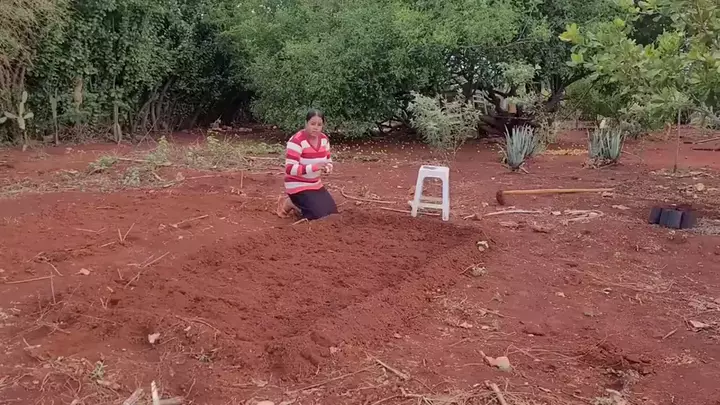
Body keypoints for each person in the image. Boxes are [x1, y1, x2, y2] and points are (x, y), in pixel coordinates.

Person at [276, 109, 339, 220]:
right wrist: (314, 168)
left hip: (315, 184)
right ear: (306, 123)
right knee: (318, 217)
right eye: (312, 124)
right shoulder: (296, 141)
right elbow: (290, 169)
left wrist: (328, 168)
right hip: (296, 185)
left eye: (319, 125)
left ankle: (302, 206)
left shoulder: (324, 139)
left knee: (332, 213)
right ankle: (291, 202)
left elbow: (328, 160)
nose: (316, 127)